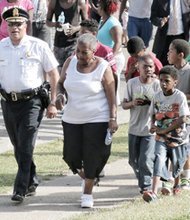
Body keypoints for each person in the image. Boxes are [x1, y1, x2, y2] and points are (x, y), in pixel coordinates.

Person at [0, 6, 59, 202]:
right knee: (18, 145)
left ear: (26, 25)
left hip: (32, 102)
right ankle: (32, 178)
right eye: (11, 24)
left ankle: (20, 188)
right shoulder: (1, 46)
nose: (14, 28)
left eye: (18, 24)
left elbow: (53, 73)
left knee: (25, 145)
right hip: (8, 102)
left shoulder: (38, 46)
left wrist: (52, 102)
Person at [55, 33, 118, 208]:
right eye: (78, 51)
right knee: (70, 156)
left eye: (85, 53)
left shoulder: (103, 67)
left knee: (92, 156)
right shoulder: (70, 62)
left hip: (97, 118)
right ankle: (89, 177)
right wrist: (59, 95)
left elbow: (111, 96)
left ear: (94, 50)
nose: (80, 56)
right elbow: (60, 83)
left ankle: (87, 192)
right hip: (71, 118)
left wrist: (112, 118)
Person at [143, 66, 190, 202]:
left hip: (177, 137)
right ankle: (154, 192)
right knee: (159, 159)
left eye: (167, 81)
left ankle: (176, 184)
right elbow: (152, 113)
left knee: (176, 163)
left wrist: (165, 130)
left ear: (175, 82)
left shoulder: (179, 96)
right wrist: (153, 125)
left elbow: (183, 118)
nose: (163, 83)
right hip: (161, 137)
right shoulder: (157, 97)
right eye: (161, 80)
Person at [122, 54, 161, 194]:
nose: (149, 69)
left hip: (149, 130)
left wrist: (153, 105)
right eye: (145, 66)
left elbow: (162, 105)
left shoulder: (157, 85)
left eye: (151, 66)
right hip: (133, 128)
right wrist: (133, 103)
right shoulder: (132, 83)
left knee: (145, 159)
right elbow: (124, 104)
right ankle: (143, 180)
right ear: (138, 67)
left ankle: (146, 187)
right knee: (133, 160)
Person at [167, 39, 190, 190]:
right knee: (169, 145)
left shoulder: (189, 72)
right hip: (169, 116)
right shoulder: (167, 70)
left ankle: (186, 177)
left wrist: (179, 98)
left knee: (185, 146)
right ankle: (170, 175)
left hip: (186, 116)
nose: (168, 53)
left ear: (181, 55)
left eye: (171, 51)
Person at [46, 0, 88, 73]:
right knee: (59, 71)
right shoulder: (54, 2)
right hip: (59, 43)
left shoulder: (79, 3)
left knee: (73, 70)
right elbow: (47, 22)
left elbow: (87, 24)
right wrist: (55, 24)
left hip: (74, 43)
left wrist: (75, 29)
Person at [97, 0, 125, 105]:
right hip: (105, 58)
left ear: (103, 8)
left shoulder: (113, 23)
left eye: (99, 5)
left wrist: (110, 58)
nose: (97, 7)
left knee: (112, 85)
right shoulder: (103, 20)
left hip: (114, 59)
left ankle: (114, 112)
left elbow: (118, 43)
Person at [150, 0, 190, 66]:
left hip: (181, 37)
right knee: (162, 65)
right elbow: (153, 17)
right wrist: (160, 21)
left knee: (179, 65)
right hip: (165, 39)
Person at [80, 19, 117, 88]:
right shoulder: (78, 50)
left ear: (94, 34)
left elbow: (113, 75)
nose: (81, 36)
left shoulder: (106, 51)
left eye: (84, 33)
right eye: (80, 33)